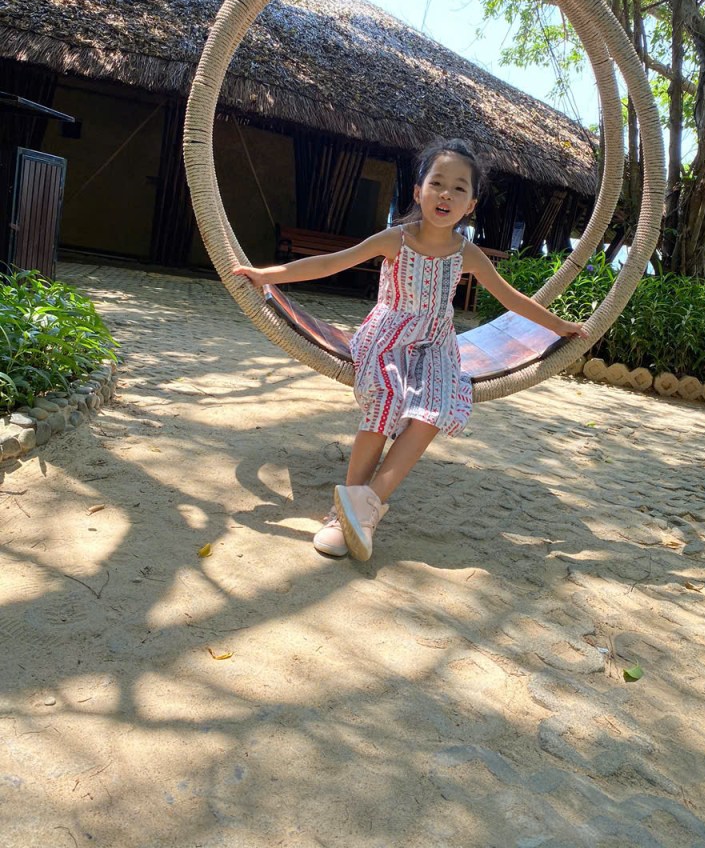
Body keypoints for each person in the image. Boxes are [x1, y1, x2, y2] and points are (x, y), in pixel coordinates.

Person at [234, 138, 587, 562]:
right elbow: (331, 263)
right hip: (386, 337)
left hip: (436, 345)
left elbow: (512, 299)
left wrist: (560, 327)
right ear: (418, 192)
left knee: (436, 407)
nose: (446, 194)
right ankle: (342, 514)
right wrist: (266, 275)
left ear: (471, 205)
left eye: (459, 188)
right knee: (387, 397)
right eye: (437, 183)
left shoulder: (467, 254)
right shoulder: (395, 240)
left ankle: (364, 507)